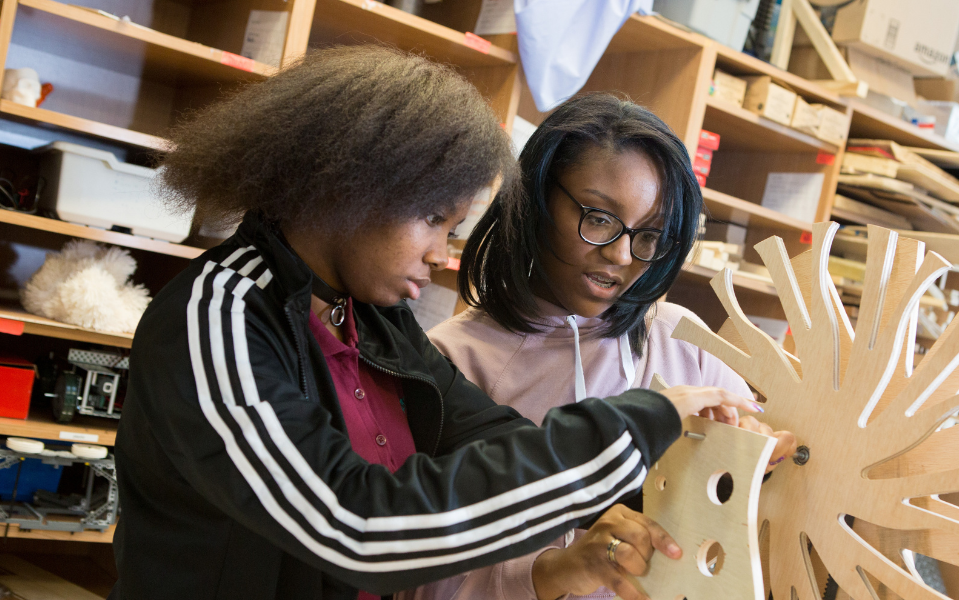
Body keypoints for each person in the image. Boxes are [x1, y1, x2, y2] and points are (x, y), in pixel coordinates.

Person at [110, 47, 762, 600]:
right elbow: (354, 525)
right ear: (347, 187)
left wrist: (651, 499)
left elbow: (484, 434)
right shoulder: (218, 316)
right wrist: (635, 422)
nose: (442, 254)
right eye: (433, 219)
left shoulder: (373, 318)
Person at [414, 94, 798, 600]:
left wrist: (756, 462)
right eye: (598, 218)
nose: (621, 254)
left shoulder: (683, 341)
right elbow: (424, 582)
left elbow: (757, 535)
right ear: (533, 199)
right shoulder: (451, 364)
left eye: (649, 234)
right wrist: (556, 571)